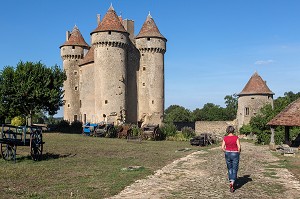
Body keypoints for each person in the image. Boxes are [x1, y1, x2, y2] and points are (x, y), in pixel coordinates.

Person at [221, 125, 241, 193]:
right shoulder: (236, 137)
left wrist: (226, 151)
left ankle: (231, 180)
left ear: (227, 130)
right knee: (235, 168)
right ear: (233, 130)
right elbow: (239, 147)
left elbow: (222, 147)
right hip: (235, 153)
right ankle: (232, 183)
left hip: (227, 153)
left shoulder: (225, 138)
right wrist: (238, 153)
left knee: (229, 168)